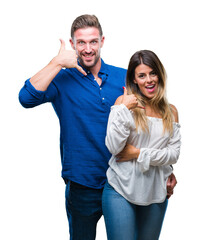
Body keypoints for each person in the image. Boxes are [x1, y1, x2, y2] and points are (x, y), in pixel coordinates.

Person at [18, 15, 177, 240]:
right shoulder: (61, 79)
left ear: (102, 41)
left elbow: (153, 123)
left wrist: (168, 169)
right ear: (73, 45)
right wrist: (57, 63)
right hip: (83, 183)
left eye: (93, 41)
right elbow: (26, 98)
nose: (88, 48)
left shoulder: (124, 77)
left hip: (126, 181)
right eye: (81, 42)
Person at [102, 50, 181, 240]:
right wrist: (122, 109)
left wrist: (137, 153)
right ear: (134, 79)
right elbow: (114, 147)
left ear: (159, 75)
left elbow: (173, 155)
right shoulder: (123, 104)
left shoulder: (171, 111)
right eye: (142, 75)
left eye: (153, 73)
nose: (149, 80)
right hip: (120, 189)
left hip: (155, 192)